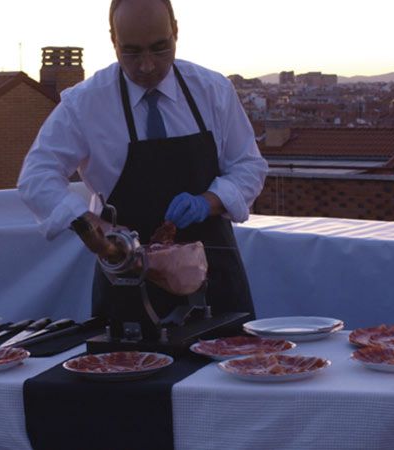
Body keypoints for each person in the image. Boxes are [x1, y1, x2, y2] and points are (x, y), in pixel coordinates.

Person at [18, 0, 267, 338]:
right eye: (132, 52)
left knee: (229, 367)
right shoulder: (85, 103)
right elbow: (36, 177)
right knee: (129, 371)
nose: (147, 65)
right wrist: (91, 225)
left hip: (216, 276)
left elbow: (249, 166)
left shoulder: (212, 90)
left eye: (160, 48)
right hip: (126, 275)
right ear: (113, 40)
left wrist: (207, 201)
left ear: (176, 31)